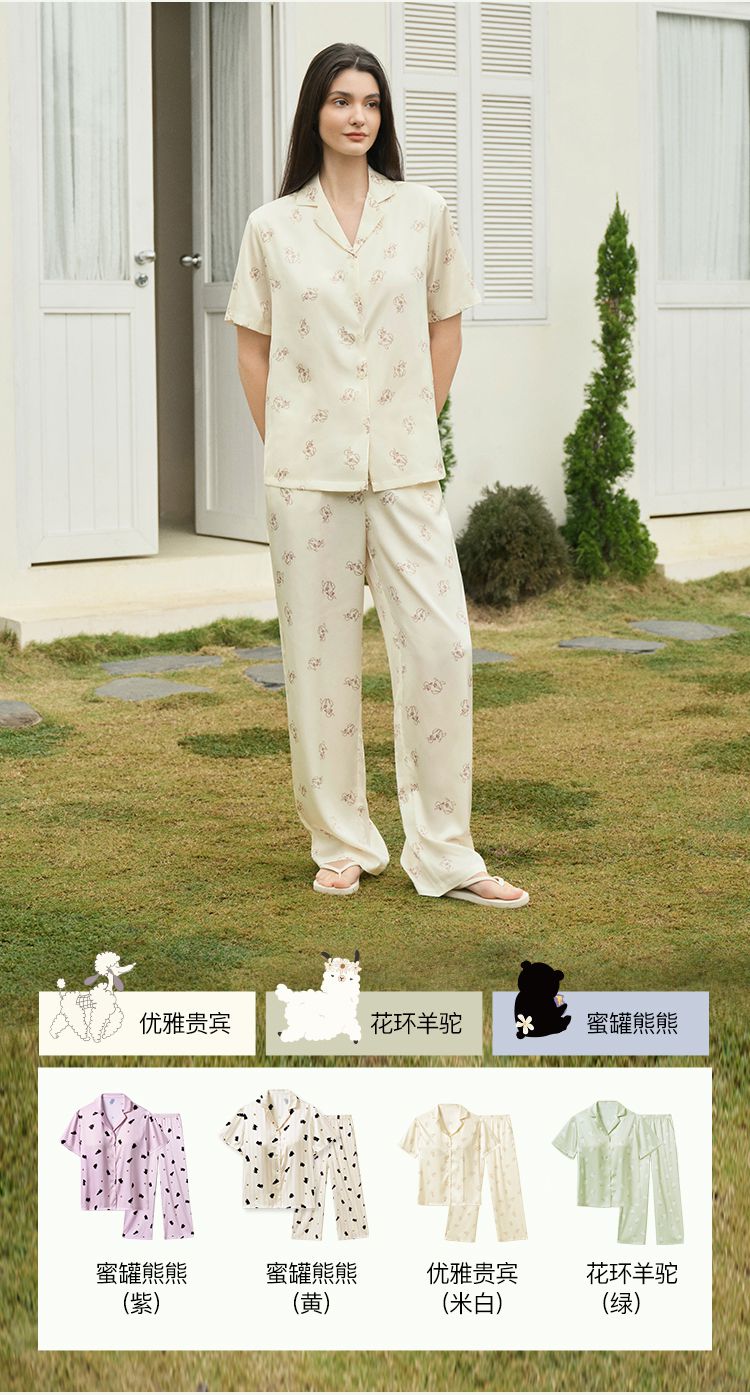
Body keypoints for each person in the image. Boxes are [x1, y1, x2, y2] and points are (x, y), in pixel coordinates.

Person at [225, 42, 529, 910]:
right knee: (318, 661)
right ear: (315, 113)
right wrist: (289, 441)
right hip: (306, 478)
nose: (356, 115)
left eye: (370, 102)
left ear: (382, 117)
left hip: (405, 471)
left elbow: (446, 327)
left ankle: (447, 852)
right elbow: (253, 347)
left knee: (442, 645)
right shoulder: (272, 227)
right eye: (340, 100)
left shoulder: (423, 213)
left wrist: (409, 425)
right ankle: (342, 841)